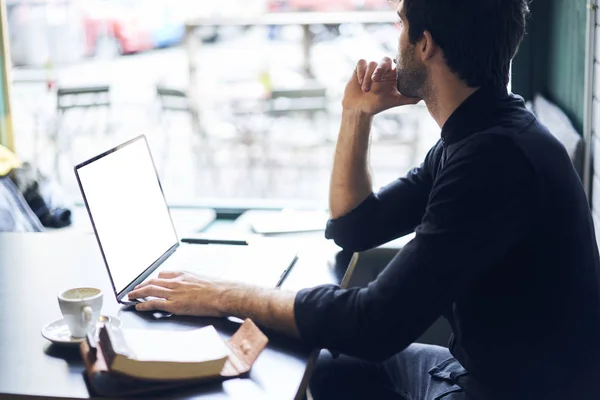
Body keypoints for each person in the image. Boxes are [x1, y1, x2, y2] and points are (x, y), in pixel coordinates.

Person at [128, 0, 600, 398]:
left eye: (401, 23)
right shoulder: (482, 133)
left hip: (502, 392)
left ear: (426, 44)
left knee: (328, 356)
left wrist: (223, 295)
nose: (395, 39)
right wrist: (357, 116)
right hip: (485, 374)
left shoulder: (494, 160)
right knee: (334, 367)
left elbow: (374, 325)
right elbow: (356, 226)